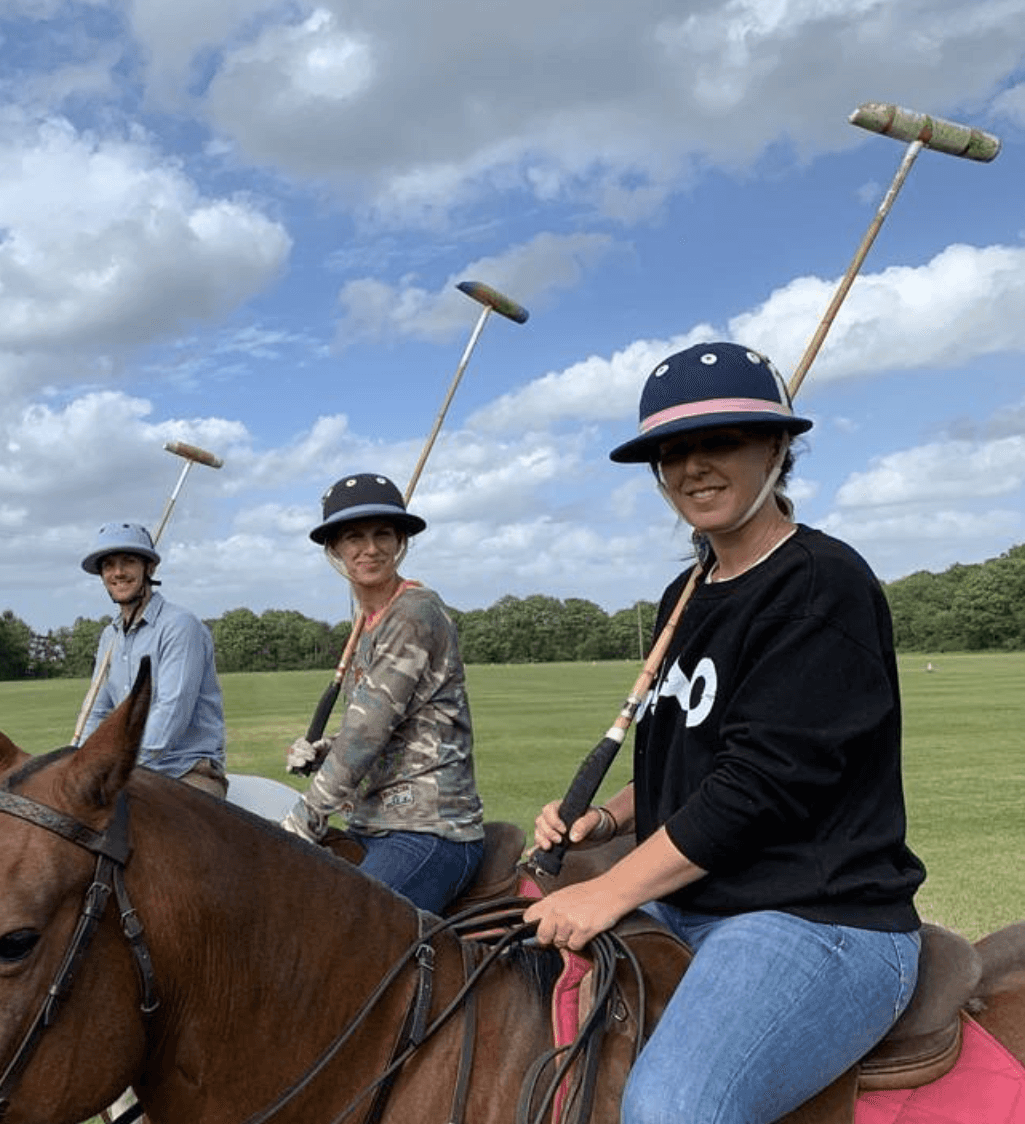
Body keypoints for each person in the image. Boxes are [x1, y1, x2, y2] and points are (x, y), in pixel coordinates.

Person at [526, 342, 925, 1124]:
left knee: (674, 1108)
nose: (693, 468)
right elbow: (692, 765)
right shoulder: (690, 588)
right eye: (672, 453)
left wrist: (610, 886)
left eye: (721, 442)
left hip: (816, 917)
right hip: (691, 897)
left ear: (777, 448)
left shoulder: (820, 583)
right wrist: (604, 821)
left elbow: (758, 787)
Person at [279, 473, 485, 914]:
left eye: (382, 535)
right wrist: (323, 751)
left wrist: (306, 816)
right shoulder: (369, 621)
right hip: (373, 823)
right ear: (334, 550)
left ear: (400, 543)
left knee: (338, 929)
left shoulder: (413, 612)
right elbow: (388, 731)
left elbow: (367, 732)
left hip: (429, 828)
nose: (369, 549)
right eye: (354, 537)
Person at [79, 521, 228, 798]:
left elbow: (170, 716)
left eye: (129, 562)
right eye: (109, 565)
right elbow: (96, 713)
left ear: (150, 568)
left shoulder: (180, 626)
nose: (118, 572)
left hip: (187, 770)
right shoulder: (109, 637)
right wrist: (78, 763)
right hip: (130, 771)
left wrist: (115, 769)